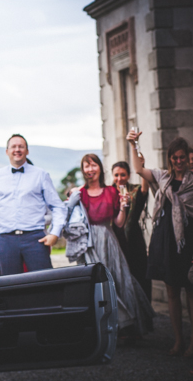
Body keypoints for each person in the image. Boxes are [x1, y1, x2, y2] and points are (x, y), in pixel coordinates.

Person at [74, 154, 154, 337]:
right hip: (89, 243)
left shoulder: (111, 192)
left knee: (118, 280)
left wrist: (124, 207)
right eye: (86, 166)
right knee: (92, 284)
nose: (90, 169)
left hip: (108, 239)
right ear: (83, 170)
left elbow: (118, 223)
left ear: (100, 168)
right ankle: (97, 328)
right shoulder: (81, 193)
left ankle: (123, 325)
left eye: (93, 165)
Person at [128, 130, 193, 355]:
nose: (178, 161)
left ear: (188, 157)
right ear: (170, 159)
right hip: (166, 241)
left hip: (189, 242)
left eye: (182, 157)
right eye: (174, 158)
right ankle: (178, 341)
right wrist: (134, 144)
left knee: (191, 291)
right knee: (172, 292)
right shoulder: (163, 178)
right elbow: (138, 169)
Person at [0, 134, 66, 276]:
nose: (17, 149)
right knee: (11, 286)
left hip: (35, 238)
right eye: (13, 146)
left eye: (21, 146)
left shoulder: (40, 174)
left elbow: (58, 206)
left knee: (44, 282)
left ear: (27, 151)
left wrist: (55, 232)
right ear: (7, 151)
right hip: (5, 240)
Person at [112, 160, 151, 300]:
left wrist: (141, 167)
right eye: (116, 175)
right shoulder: (108, 193)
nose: (119, 178)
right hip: (115, 239)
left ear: (128, 175)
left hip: (134, 241)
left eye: (123, 174)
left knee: (140, 277)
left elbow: (144, 191)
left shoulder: (134, 191)